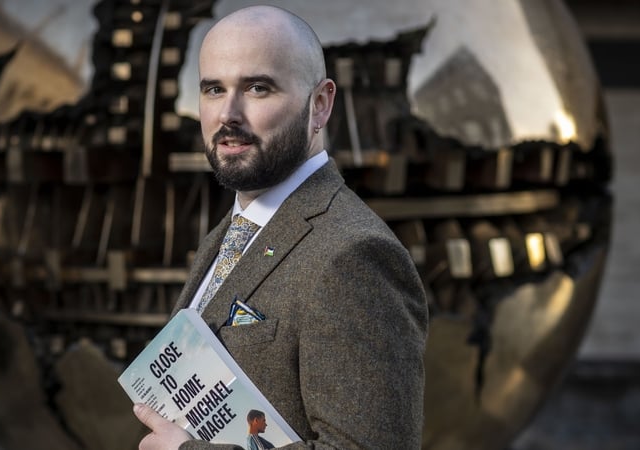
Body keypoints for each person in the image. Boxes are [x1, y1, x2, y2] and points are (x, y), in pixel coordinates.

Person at [133, 5, 428, 449]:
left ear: (320, 105)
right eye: (214, 89)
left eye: (257, 88)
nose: (228, 114)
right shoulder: (229, 234)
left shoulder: (355, 255)